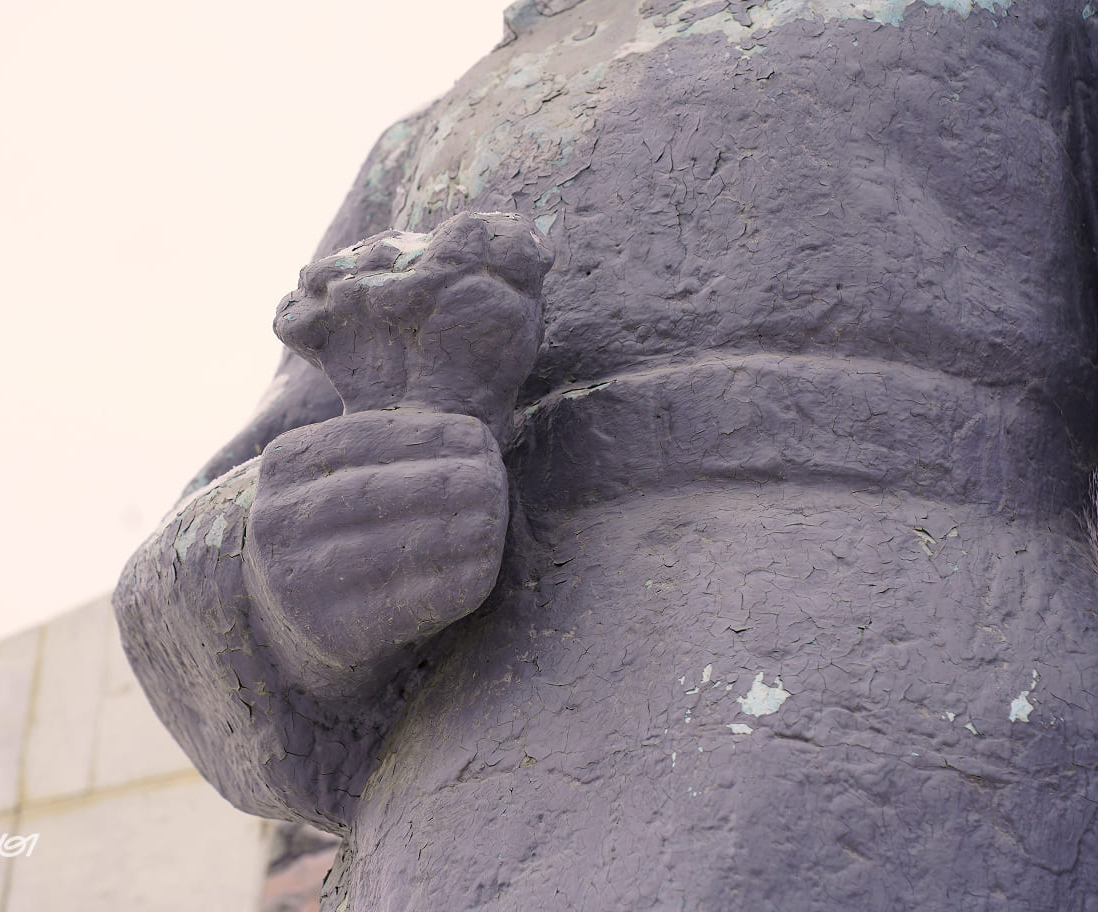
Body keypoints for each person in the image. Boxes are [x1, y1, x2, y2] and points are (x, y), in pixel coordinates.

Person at [116, 0, 1098, 906]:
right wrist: (287, 561)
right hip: (471, 822)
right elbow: (193, 579)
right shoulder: (427, 137)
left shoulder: (1037, 23)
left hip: (964, 761)